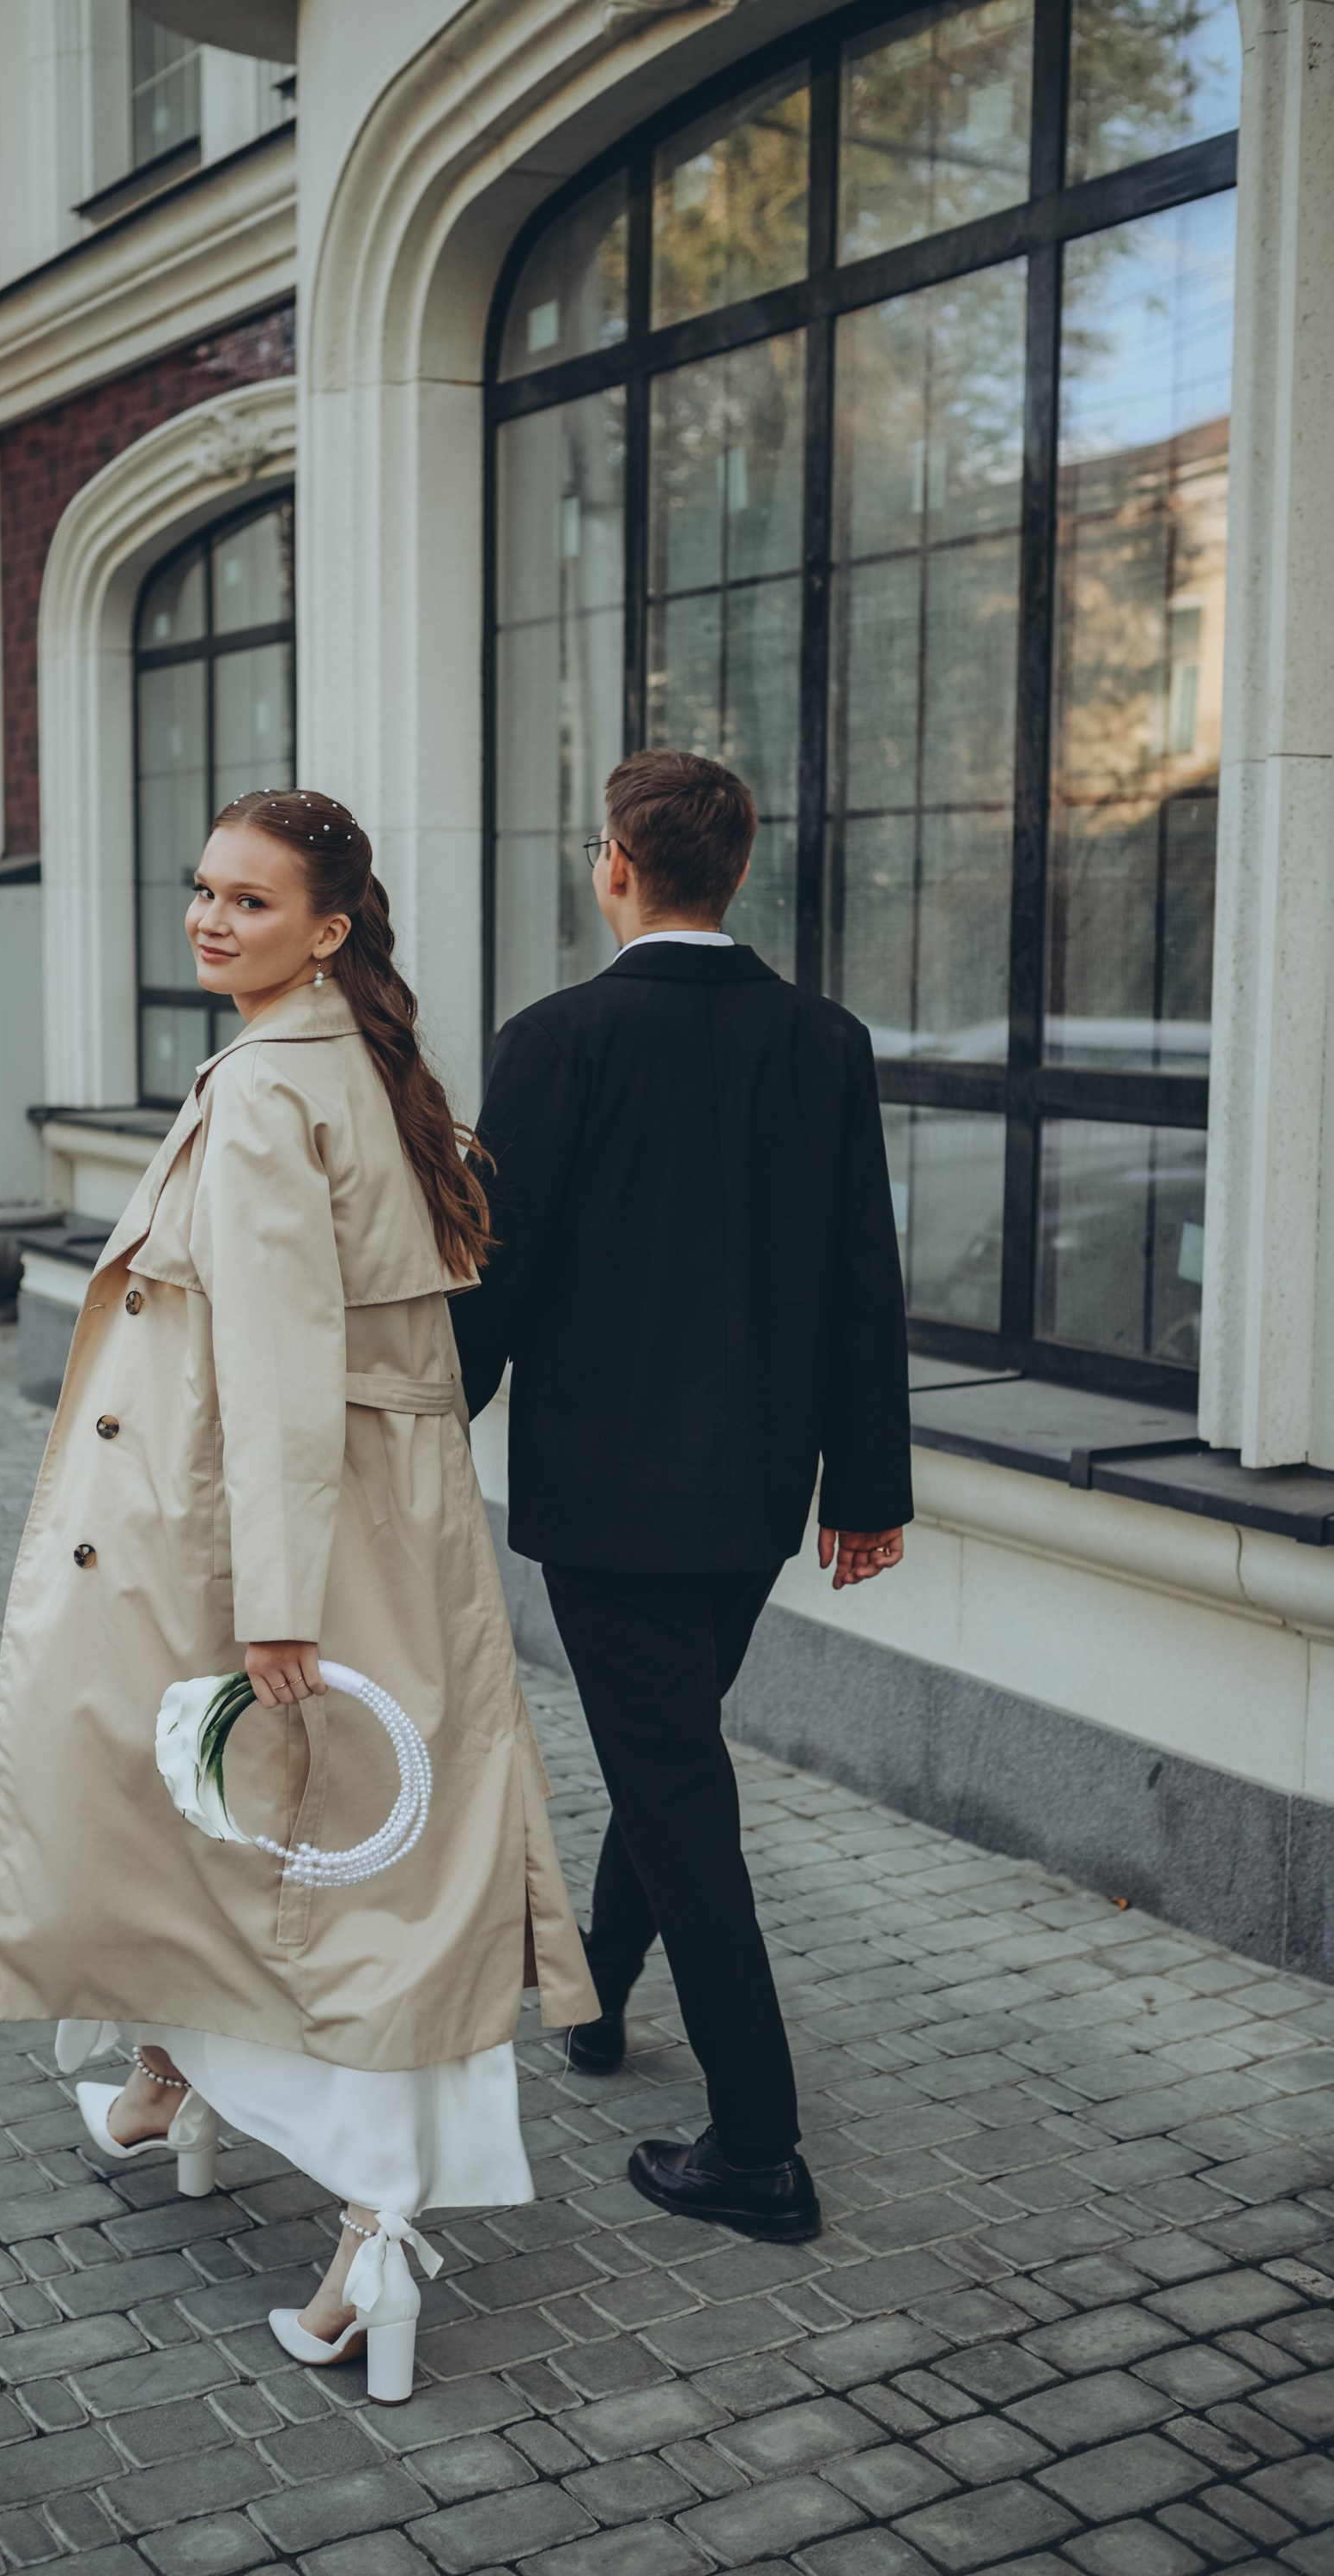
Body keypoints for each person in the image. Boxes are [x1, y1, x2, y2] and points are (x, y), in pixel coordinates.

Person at [0, 787, 597, 2404]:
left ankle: (368, 2242)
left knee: (318, 1863)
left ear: (326, 931)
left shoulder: (270, 1091)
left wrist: (274, 1604)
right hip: (369, 1524)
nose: (208, 919)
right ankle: (173, 2082)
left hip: (279, 1546)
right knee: (292, 1846)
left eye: (250, 903)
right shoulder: (349, 1061)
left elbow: (271, 1363)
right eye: (202, 891)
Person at [453, 746, 912, 2243]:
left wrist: (415, 1434)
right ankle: (594, 1999)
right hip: (760, 1496)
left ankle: (759, 2147)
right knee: (668, 1752)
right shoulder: (825, 1041)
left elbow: (492, 1283)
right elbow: (864, 1284)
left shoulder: (555, 1040)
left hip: (607, 1500)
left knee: (674, 1784)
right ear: (739, 868)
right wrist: (869, 1484)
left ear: (615, 865)